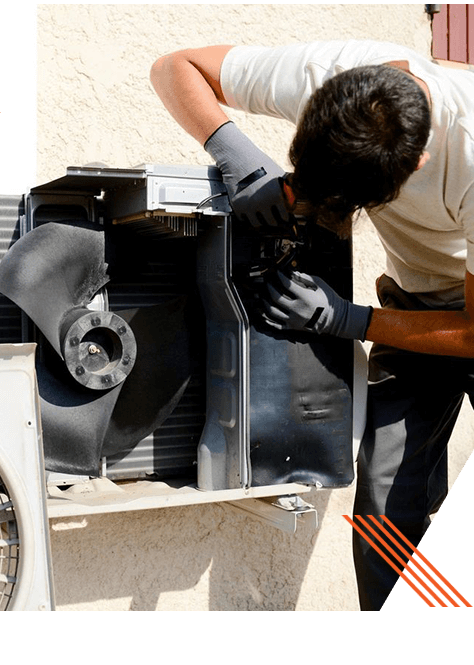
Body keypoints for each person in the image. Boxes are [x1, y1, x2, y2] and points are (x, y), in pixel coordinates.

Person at [150, 40, 473, 610]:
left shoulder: (468, 154)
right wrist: (237, 155)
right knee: (386, 522)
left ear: (416, 163)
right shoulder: (332, 76)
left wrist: (348, 319)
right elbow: (176, 67)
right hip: (417, 307)